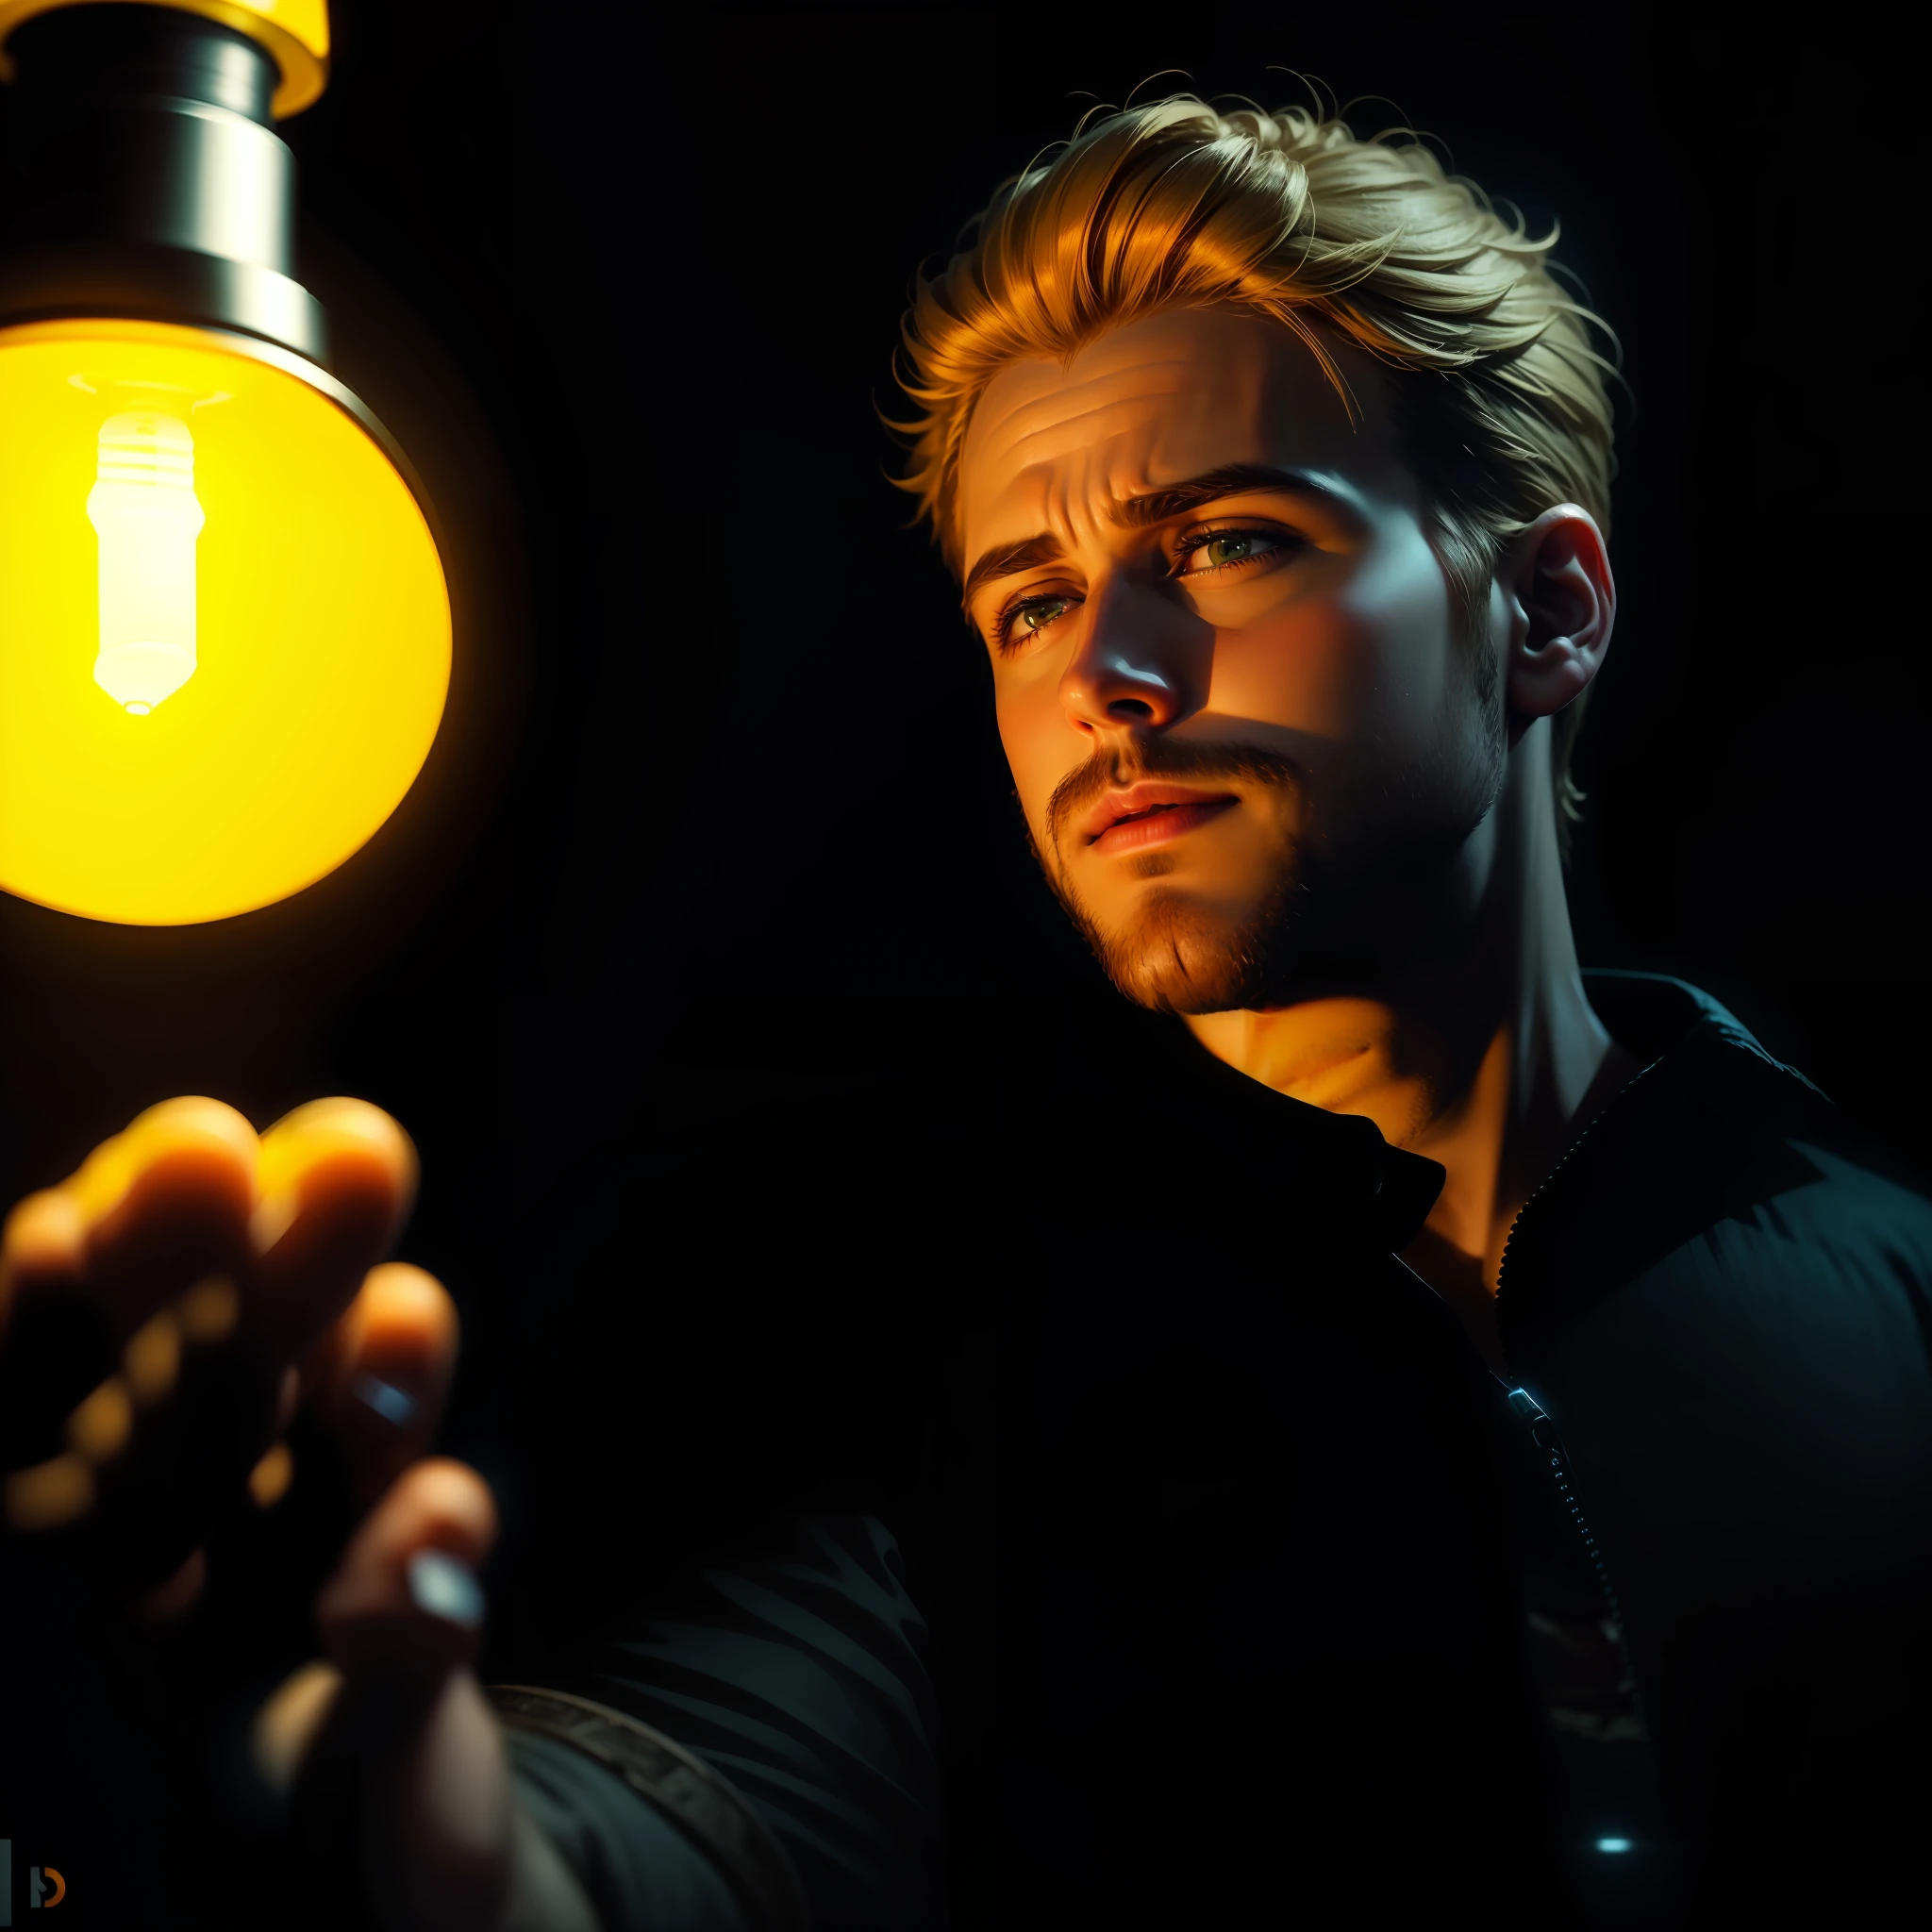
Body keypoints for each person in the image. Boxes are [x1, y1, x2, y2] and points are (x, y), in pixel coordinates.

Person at [5, 90, 1930, 1932]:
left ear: (1548, 609)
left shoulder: (1890, 1269)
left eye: (1229, 540)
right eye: (1026, 600)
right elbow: (676, 1828)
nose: (1108, 668)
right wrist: (386, 1793)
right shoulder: (916, 1314)